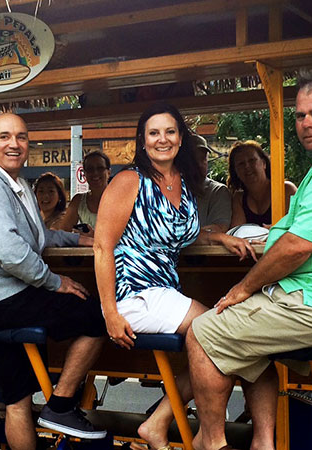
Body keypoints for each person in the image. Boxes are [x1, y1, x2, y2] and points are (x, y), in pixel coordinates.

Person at [187, 69, 312, 450]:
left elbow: (297, 246)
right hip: (309, 296)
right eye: (300, 116)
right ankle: (262, 443)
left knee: (204, 331)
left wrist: (244, 287)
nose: (306, 123)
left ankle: (211, 443)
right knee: (247, 345)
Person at [0, 113, 107, 449]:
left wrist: (75, 240)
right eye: (5, 137)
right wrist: (54, 282)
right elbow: (9, 252)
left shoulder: (16, 183)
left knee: (17, 401)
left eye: (21, 137)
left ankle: (54, 406)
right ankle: (61, 405)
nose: (14, 144)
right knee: (97, 315)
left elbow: (35, 238)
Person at [94, 102, 211, 450]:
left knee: (222, 340)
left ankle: (160, 423)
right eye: (154, 133)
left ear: (180, 138)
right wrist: (111, 313)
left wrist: (219, 237)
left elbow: (182, 234)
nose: (163, 139)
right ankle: (199, 433)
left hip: (165, 294)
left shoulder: (182, 182)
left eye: (170, 131)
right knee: (225, 332)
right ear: (143, 141)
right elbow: (102, 248)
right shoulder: (129, 180)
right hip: (134, 295)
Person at [190, 134, 257, 261]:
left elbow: (220, 228)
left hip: (208, 263)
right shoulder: (163, 190)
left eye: (203, 159)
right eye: (193, 160)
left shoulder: (218, 191)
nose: (199, 165)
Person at [228, 140, 297, 227]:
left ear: (264, 163)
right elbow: (236, 233)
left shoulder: (286, 190)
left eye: (252, 160)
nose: (247, 166)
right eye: (241, 164)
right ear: (235, 171)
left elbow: (296, 226)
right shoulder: (239, 198)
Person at [58, 150, 111, 233]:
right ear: (84, 174)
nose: (95, 173)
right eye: (90, 169)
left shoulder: (120, 199)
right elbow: (63, 233)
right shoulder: (78, 201)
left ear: (108, 172)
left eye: (100, 168)